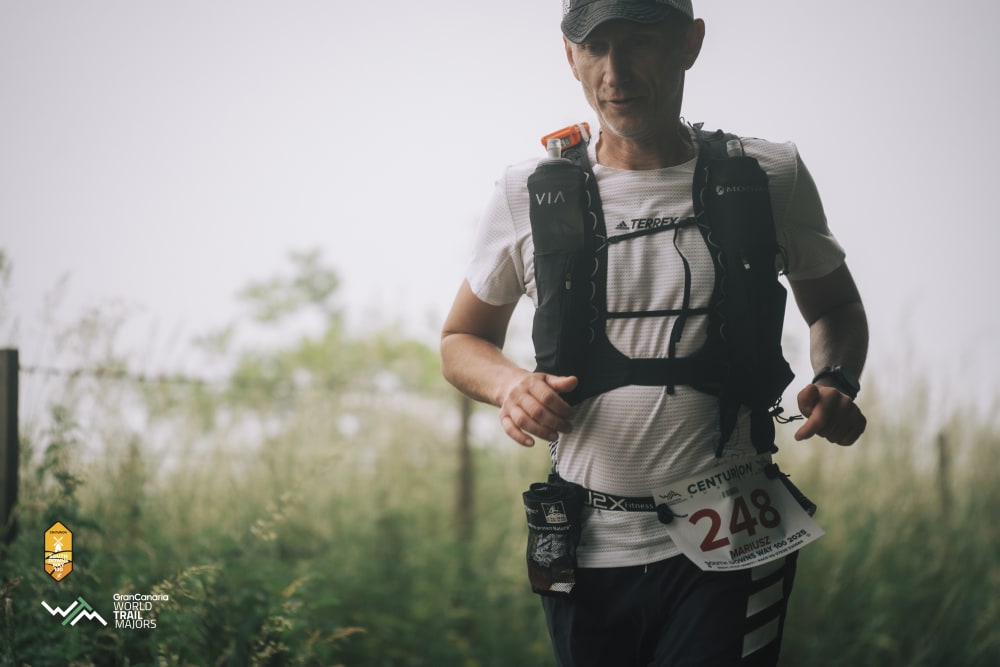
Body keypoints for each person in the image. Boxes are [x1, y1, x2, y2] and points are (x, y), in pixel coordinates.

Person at [440, 0, 868, 664]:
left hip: (736, 538)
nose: (615, 73)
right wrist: (511, 386)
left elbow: (835, 305)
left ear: (691, 43)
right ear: (569, 55)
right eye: (596, 47)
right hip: (586, 547)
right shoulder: (529, 191)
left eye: (639, 42)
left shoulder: (768, 176)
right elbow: (460, 340)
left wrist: (836, 378)